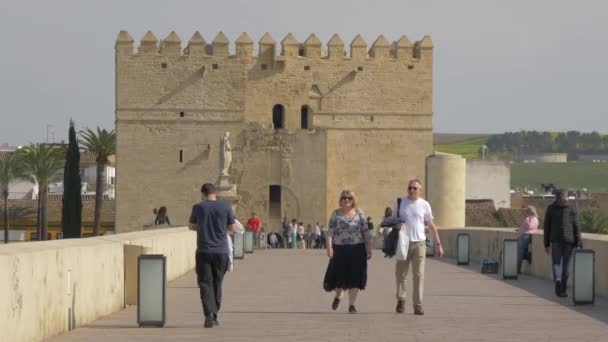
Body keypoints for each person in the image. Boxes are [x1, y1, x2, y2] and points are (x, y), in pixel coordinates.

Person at [189, 183, 236, 328]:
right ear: (215, 193)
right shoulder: (226, 207)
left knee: (205, 284)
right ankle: (215, 314)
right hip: (221, 252)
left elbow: (191, 226)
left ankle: (208, 315)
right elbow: (232, 228)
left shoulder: (198, 207)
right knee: (217, 283)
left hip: (204, 250)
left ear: (203, 193)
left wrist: (203, 226)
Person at [393, 179, 443, 315]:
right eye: (410, 188)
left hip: (419, 243)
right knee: (400, 274)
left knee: (419, 275)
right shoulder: (400, 202)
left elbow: (431, 225)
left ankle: (418, 305)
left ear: (420, 190)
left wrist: (438, 244)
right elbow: (393, 221)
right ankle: (401, 300)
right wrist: (397, 225)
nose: (412, 190)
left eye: (415, 188)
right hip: (404, 243)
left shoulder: (424, 205)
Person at [323, 190, 372, 314]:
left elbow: (366, 232)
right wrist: (329, 247)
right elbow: (330, 232)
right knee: (340, 278)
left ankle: (352, 305)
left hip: (357, 249)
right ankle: (338, 296)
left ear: (353, 200)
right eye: (344, 198)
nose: (346, 200)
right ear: (341, 200)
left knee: (355, 278)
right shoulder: (336, 214)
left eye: (349, 198)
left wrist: (369, 248)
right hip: (339, 249)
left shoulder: (359, 213)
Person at [544, 189, 581, 298]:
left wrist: (546, 244)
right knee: (566, 266)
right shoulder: (571, 208)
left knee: (556, 263)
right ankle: (563, 290)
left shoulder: (550, 208)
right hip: (568, 241)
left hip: (556, 240)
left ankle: (558, 281)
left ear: (556, 197)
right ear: (566, 197)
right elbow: (576, 226)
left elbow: (547, 227)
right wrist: (578, 241)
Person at [516, 206, 539, 274]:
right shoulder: (536, 219)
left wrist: (525, 221)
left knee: (520, 253)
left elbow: (529, 226)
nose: (525, 213)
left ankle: (518, 269)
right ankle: (527, 257)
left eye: (526, 211)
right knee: (523, 251)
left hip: (525, 236)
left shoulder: (529, 219)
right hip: (527, 235)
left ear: (529, 212)